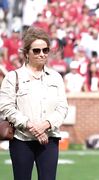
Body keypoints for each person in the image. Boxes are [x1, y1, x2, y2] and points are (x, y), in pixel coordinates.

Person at [0, 26, 69, 180]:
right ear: (26, 53)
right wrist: (31, 126)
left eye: (45, 50)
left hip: (49, 138)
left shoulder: (55, 77)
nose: (42, 54)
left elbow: (62, 107)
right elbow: (6, 107)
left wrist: (45, 125)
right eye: (36, 51)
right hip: (21, 140)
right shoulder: (13, 77)